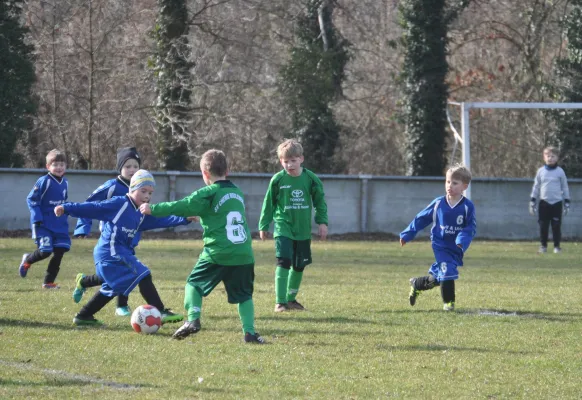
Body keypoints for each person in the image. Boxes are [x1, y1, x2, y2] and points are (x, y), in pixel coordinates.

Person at [140, 149, 264, 344]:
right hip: (243, 252)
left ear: (205, 173)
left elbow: (182, 205)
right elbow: (223, 215)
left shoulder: (208, 192)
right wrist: (204, 217)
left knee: (194, 284)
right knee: (244, 295)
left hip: (218, 252)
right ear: (228, 171)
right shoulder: (237, 192)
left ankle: (193, 320)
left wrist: (152, 209)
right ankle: (250, 333)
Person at [54, 169, 187, 326]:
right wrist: (67, 208)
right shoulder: (119, 203)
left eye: (150, 193)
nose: (147, 196)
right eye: (143, 191)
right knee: (143, 273)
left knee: (111, 287)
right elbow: (93, 207)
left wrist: (184, 219)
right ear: (132, 189)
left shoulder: (140, 212)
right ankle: (160, 310)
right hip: (110, 251)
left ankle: (84, 316)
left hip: (118, 252)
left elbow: (160, 220)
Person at [258, 139, 328, 313]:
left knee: (299, 265)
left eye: (293, 161)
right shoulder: (278, 179)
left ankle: (291, 299)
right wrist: (264, 225)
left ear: (301, 159)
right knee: (283, 262)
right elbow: (269, 203)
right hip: (283, 227)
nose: (289, 165)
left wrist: (322, 222)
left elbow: (320, 202)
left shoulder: (311, 179)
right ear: (281, 161)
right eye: (285, 161)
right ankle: (280, 302)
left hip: (303, 229)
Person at [72, 147, 141, 316]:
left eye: (135, 166)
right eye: (128, 166)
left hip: (129, 238)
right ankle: (121, 306)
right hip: (110, 238)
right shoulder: (111, 186)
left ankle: (84, 281)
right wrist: (83, 227)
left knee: (118, 272)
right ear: (120, 168)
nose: (132, 170)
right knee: (125, 270)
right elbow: (90, 204)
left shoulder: (142, 187)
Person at [400, 164, 476, 311]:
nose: (450, 186)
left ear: (464, 187)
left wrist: (461, 241)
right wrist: (407, 234)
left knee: (440, 276)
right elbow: (421, 218)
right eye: (448, 182)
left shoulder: (468, 207)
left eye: (455, 183)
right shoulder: (438, 203)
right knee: (447, 271)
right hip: (440, 244)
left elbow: (470, 228)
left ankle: (417, 284)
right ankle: (449, 304)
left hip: (456, 247)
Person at [19, 149, 70, 289]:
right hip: (44, 224)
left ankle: (48, 282)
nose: (59, 167)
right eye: (55, 164)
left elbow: (63, 202)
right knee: (45, 251)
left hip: (59, 224)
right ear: (48, 167)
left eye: (62, 164)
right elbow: (31, 199)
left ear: (65, 166)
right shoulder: (44, 181)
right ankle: (28, 260)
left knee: (59, 252)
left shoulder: (65, 183)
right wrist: (37, 217)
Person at [529, 146, 570, 254]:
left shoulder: (560, 172)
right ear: (544, 157)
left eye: (553, 156)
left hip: (556, 203)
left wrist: (567, 202)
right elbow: (536, 186)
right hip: (544, 203)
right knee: (543, 226)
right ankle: (543, 246)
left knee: (556, 226)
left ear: (557, 158)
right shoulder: (541, 171)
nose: (550, 158)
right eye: (548, 156)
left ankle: (557, 247)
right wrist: (532, 200)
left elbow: (564, 187)